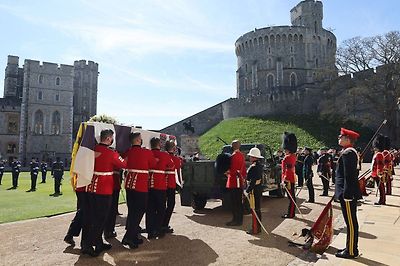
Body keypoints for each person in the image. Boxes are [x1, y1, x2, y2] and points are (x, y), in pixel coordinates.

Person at [86, 129, 126, 256]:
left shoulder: (92, 150)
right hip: (104, 189)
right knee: (101, 218)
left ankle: (98, 243)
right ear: (109, 139)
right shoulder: (111, 153)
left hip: (92, 187)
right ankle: (88, 245)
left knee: (94, 216)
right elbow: (123, 164)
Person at [122, 132, 155, 249]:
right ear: (137, 141)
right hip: (140, 185)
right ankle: (129, 237)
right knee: (139, 211)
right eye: (140, 139)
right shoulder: (146, 152)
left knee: (132, 211)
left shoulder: (127, 152)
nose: (141, 140)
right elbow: (153, 164)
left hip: (129, 185)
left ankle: (132, 235)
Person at [334, 128, 362, 259]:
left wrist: (347, 194)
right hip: (347, 193)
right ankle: (350, 246)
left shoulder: (348, 153)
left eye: (341, 136)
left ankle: (351, 251)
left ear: (347, 139)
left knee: (351, 223)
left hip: (347, 195)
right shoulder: (349, 152)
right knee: (350, 223)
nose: (339, 138)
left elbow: (349, 176)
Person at [225, 140, 246, 226]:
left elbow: (232, 170)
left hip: (234, 181)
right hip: (240, 181)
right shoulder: (241, 155)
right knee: (239, 202)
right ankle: (239, 220)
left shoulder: (233, 156)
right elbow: (243, 170)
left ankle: (235, 220)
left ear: (233, 146)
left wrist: (227, 173)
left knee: (234, 202)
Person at [163, 140, 181, 234]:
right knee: (171, 204)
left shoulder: (163, 156)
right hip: (170, 184)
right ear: (174, 148)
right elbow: (178, 171)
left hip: (162, 183)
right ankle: (165, 224)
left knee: (161, 205)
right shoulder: (176, 159)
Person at [245, 147, 264, 235]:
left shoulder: (254, 167)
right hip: (258, 188)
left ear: (253, 157)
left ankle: (255, 229)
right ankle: (258, 227)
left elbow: (252, 181)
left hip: (253, 190)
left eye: (251, 156)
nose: (249, 157)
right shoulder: (259, 165)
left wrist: (247, 190)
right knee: (257, 208)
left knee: (254, 209)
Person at [281, 132, 298, 219]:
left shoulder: (286, 158)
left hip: (288, 179)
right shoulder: (294, 156)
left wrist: (283, 180)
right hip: (292, 178)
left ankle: (291, 214)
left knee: (291, 198)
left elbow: (285, 170)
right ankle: (292, 212)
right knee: (292, 197)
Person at [104, 168, 123, 239]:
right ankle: (109, 230)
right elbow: (123, 164)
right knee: (112, 209)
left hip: (105, 183)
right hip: (113, 183)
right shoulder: (114, 156)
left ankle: (107, 230)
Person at [371, 134, 385, 205]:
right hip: (376, 173)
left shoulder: (379, 154)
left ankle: (382, 200)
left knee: (381, 188)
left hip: (377, 173)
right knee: (380, 187)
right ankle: (382, 200)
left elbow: (379, 165)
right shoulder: (378, 154)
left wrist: (379, 173)